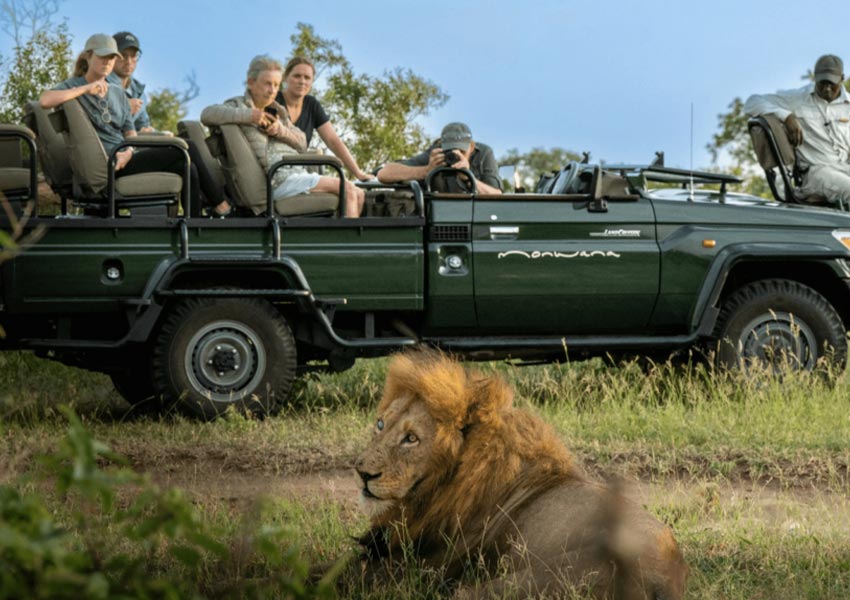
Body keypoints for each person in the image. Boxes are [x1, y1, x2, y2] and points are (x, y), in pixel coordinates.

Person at [39, 33, 231, 216]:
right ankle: (220, 204)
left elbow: (130, 133)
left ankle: (193, 224)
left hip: (125, 157)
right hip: (107, 163)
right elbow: (45, 100)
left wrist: (129, 151)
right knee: (188, 147)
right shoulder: (74, 85)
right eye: (102, 57)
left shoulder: (118, 93)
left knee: (188, 165)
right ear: (88, 57)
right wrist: (85, 89)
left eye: (112, 58)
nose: (107, 62)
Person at [202, 55, 365, 218]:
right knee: (349, 190)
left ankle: (347, 234)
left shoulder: (278, 110)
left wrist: (281, 131)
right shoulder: (238, 105)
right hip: (279, 178)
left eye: (276, 85)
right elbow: (207, 113)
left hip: (295, 173)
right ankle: (349, 235)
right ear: (251, 82)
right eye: (267, 84)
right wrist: (251, 116)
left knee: (359, 193)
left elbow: (302, 142)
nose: (272, 90)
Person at [745, 54, 850, 204]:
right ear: (815, 77)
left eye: (831, 83)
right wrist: (786, 116)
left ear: (842, 78)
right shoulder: (797, 99)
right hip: (816, 173)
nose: (826, 88)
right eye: (822, 83)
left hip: (844, 168)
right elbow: (752, 102)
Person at [275, 56, 374, 182]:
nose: (302, 81)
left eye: (307, 78)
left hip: (299, 171)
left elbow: (333, 140)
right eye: (297, 76)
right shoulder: (273, 101)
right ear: (285, 77)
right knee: (346, 188)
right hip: (277, 168)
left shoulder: (311, 104)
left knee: (350, 188)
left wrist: (358, 173)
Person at [376, 122, 502, 194]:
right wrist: (426, 170)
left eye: (461, 151)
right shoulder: (436, 155)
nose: (455, 155)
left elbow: (497, 195)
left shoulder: (484, 154)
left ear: (472, 147)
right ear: (441, 145)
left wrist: (468, 178)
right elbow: (383, 174)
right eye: (450, 150)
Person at [107, 31, 156, 134]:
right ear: (111, 56)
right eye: (123, 55)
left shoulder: (138, 91)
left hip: (132, 142)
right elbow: (97, 123)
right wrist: (124, 108)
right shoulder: (100, 85)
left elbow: (142, 125)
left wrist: (149, 131)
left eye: (133, 56)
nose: (129, 62)